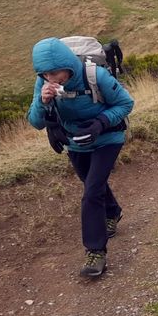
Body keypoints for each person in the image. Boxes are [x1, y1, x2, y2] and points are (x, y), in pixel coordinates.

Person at [27, 37, 134, 278]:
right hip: (75, 143)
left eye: (56, 73)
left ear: (68, 65)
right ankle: (112, 212)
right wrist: (43, 102)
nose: (51, 79)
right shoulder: (43, 82)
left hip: (108, 138)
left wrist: (100, 123)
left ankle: (95, 252)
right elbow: (35, 122)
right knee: (91, 184)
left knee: (91, 192)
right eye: (45, 74)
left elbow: (126, 104)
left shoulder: (95, 75)